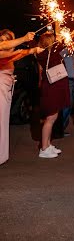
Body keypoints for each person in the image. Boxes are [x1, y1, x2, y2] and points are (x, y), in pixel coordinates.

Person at [0, 29, 39, 165]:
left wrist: (34, 50)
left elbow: (18, 54)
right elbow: (4, 47)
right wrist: (24, 38)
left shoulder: (7, 54)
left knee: (3, 121)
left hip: (6, 87)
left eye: (9, 39)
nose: (6, 42)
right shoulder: (1, 49)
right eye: (4, 39)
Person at [36, 31, 71, 159]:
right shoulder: (54, 53)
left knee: (51, 117)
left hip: (49, 86)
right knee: (50, 119)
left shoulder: (42, 53)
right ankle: (44, 149)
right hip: (53, 87)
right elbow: (72, 48)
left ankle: (47, 144)